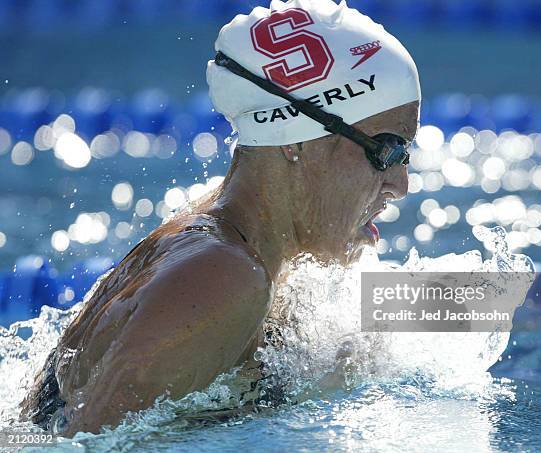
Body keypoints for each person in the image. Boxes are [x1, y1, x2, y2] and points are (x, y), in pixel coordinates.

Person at [20, 0, 420, 436]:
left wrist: (490, 299)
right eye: (387, 151)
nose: (401, 184)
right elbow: (76, 446)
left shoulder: (248, 242)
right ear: (296, 140)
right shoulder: (223, 276)